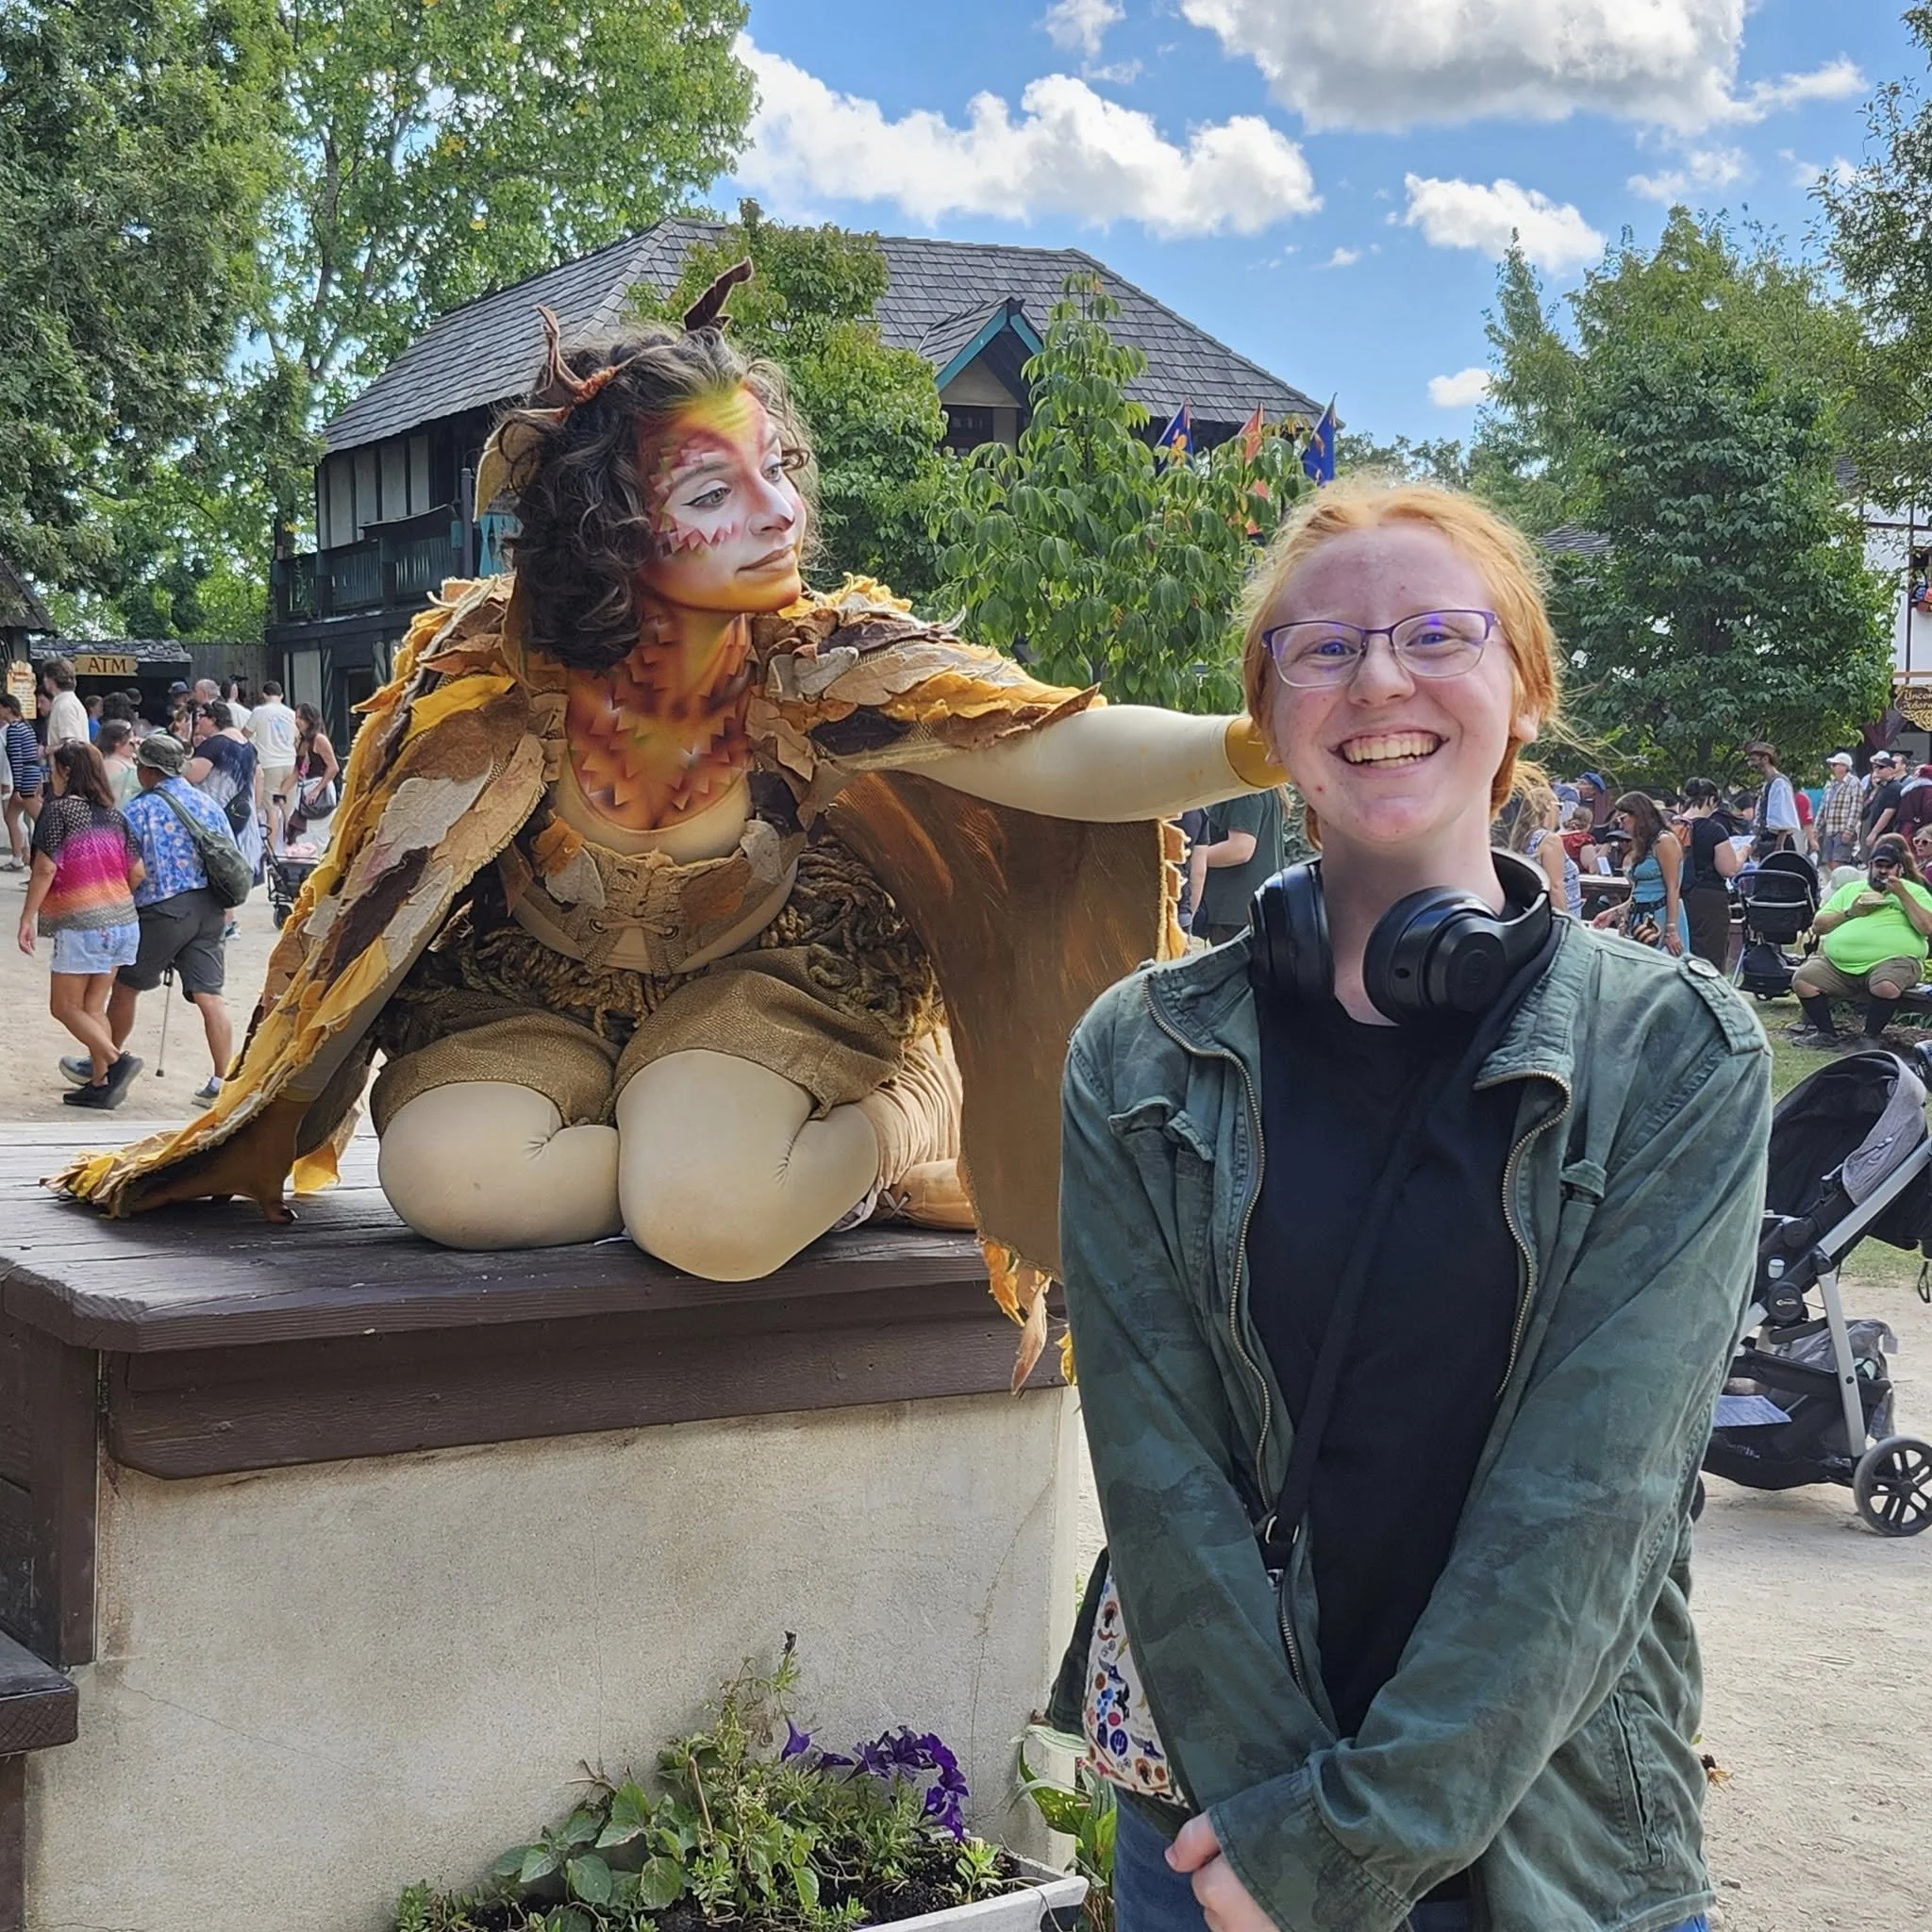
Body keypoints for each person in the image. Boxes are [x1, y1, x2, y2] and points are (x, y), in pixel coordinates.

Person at [58, 273, 1290, 1283]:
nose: (777, 511)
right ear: (612, 527)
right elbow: (361, 889)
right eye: (714, 489)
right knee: (448, 1182)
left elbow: (1044, 741)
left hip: (772, 984)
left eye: (776, 468)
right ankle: (683, 1142)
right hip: (524, 992)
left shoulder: (822, 662)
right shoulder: (486, 676)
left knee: (711, 1222)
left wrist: (1252, 743)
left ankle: (904, 1118)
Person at [1055, 479, 1758, 1932]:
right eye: (1324, 648)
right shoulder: (1134, 1055)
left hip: (1551, 1842)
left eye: (1439, 634)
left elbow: (1594, 1503)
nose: (1380, 679)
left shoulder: (1679, 1052)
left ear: (1525, 689)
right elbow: (1159, 1474)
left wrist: (1352, 1852)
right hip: (1221, 1841)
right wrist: (1281, 1841)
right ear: (1268, 715)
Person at [60, 733, 237, 1108]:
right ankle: (222, 1081)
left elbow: (127, 868)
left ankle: (104, 1062)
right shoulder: (207, 803)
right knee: (210, 995)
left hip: (161, 910)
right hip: (209, 908)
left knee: (126, 986)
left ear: (149, 770)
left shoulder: (139, 810)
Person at [16, 741, 146, 1107]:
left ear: (66, 772)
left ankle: (117, 1063)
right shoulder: (114, 816)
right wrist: (110, 896)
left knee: (64, 1007)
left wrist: (27, 917)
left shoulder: (58, 812)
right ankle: (101, 1084)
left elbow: (45, 868)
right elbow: (137, 872)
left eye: (54, 769)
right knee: (92, 1007)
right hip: (123, 921)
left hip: (83, 923)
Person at [1789, 832, 1932, 1049]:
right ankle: (1826, 1034)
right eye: (1878, 866)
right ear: (1870, 866)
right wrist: (1850, 912)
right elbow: (1818, 925)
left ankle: (1870, 1037)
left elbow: (1927, 927)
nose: (1883, 871)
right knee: (1803, 979)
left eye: (1889, 867)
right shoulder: (1851, 890)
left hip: (1895, 961)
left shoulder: (1914, 892)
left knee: (1886, 985)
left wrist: (1902, 895)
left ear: (1900, 869)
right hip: (1840, 965)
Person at [1594, 791, 1689, 955]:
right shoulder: (1643, 844)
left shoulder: (1664, 841)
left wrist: (1671, 929)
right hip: (1640, 916)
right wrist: (1613, 913)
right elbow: (1639, 892)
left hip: (1661, 915)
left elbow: (1673, 887)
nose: (1621, 825)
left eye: (1623, 818)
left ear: (1638, 815)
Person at [1191, 785, 1285, 945]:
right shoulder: (1261, 786)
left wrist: (1189, 858)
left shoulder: (1243, 791)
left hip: (1236, 914)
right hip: (1252, 910)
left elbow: (1241, 849)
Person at [186, 701, 262, 892]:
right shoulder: (248, 745)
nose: (198, 723)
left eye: (201, 717)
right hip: (243, 809)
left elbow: (194, 775)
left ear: (213, 719)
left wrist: (179, 763)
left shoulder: (215, 744)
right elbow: (259, 776)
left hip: (216, 810)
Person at [1678, 776, 1742, 970]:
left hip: (1676, 896)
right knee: (1709, 957)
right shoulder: (1714, 830)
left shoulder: (1672, 827)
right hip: (1708, 898)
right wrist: (1743, 853)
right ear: (1712, 800)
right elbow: (1728, 869)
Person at [1493, 771, 1576, 914]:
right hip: (1557, 915)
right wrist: (1567, 920)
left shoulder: (1521, 838)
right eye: (1559, 806)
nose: (1560, 812)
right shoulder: (1549, 840)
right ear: (1548, 806)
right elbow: (1555, 887)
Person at [245, 679, 300, 842]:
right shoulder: (291, 714)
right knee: (288, 808)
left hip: (269, 764)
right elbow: (297, 738)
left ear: (264, 695)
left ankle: (271, 849)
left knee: (272, 809)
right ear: (281, 695)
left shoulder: (259, 712)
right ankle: (291, 846)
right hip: (290, 764)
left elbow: (244, 735)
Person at [287, 702, 340, 844]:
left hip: (319, 788)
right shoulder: (303, 742)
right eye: (296, 717)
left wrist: (317, 790)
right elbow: (297, 770)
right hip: (305, 790)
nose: (297, 721)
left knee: (318, 834)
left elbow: (333, 767)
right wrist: (282, 792)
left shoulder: (319, 740)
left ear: (310, 719)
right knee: (303, 834)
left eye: (301, 718)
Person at [2, 691, 43, 871]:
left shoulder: (13, 729)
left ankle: (31, 857)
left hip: (24, 778)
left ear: (7, 709)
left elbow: (16, 758)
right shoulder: (26, 727)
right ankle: (18, 857)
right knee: (11, 817)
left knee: (40, 819)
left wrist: (17, 787)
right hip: (32, 774)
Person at [1743, 740, 1799, 857]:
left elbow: (1783, 819)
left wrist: (1778, 848)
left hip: (1777, 844)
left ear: (1765, 759)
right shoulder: (1768, 784)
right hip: (1767, 843)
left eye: (1754, 760)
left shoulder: (1779, 784)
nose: (1751, 764)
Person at [1815, 751, 1864, 867]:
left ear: (1844, 766)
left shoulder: (1854, 783)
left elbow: (1856, 807)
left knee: (1838, 862)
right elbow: (1823, 807)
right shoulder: (1830, 784)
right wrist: (1816, 828)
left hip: (1843, 829)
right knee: (1827, 861)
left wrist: (1849, 830)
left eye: (1835, 764)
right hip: (1829, 829)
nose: (1832, 767)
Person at [1859, 750, 1903, 856]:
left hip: (1884, 834)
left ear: (1890, 769)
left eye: (1881, 767)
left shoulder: (1894, 787)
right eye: (1876, 767)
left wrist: (1874, 833)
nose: (1877, 770)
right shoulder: (1882, 786)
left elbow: (1888, 812)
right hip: (1873, 829)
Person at [42, 658, 89, 752]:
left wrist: (46, 750)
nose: (44, 680)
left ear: (52, 680)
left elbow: (72, 745)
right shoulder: (67, 702)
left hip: (67, 762)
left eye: (45, 677)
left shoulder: (64, 706)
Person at [96, 720, 141, 805]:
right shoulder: (111, 764)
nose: (135, 740)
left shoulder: (133, 758)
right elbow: (116, 798)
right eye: (130, 737)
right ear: (117, 742)